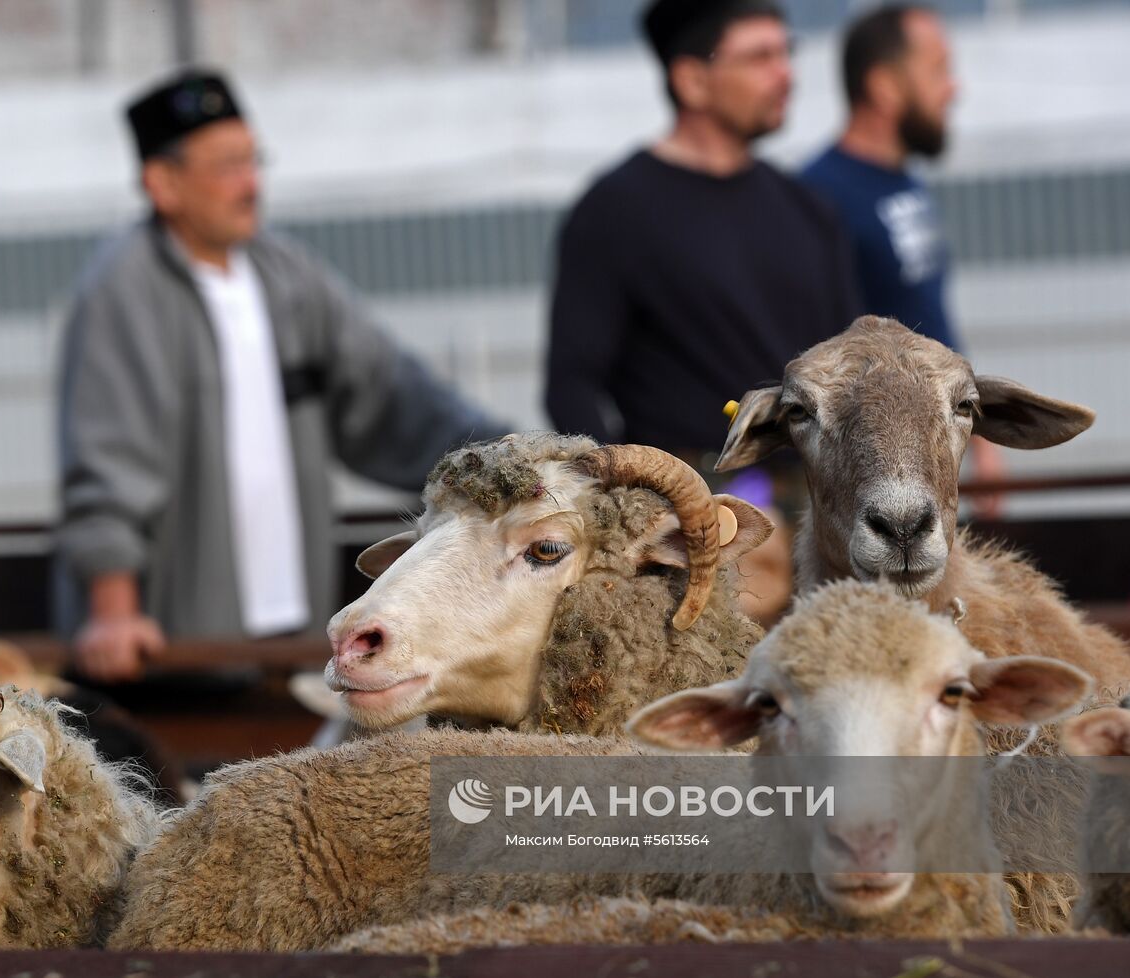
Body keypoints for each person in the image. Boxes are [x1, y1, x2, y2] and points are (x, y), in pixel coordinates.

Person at [55, 69, 506, 683]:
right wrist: (112, 612)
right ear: (162, 184)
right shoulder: (124, 288)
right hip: (174, 644)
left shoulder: (286, 274)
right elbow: (108, 464)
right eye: (226, 167)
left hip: (293, 632)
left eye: (253, 160)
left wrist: (503, 464)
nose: (250, 184)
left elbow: (391, 392)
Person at [546, 0, 861, 625]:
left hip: (823, 505)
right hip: (692, 515)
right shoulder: (613, 212)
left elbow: (852, 360)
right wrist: (639, 511)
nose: (786, 73)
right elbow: (571, 385)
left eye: (785, 52)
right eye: (760, 57)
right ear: (691, 79)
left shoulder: (806, 210)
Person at [800, 3, 1004, 509]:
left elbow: (929, 321)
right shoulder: (818, 197)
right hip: (877, 480)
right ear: (884, 87)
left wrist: (975, 440)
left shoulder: (905, 182)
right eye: (937, 69)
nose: (953, 88)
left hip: (931, 455)